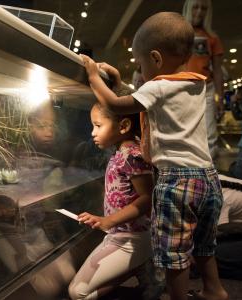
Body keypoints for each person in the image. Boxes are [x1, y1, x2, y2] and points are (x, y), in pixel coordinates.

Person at [80, 12, 228, 300]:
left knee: (173, 250)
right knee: (203, 243)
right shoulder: (196, 84)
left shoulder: (157, 86)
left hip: (178, 181)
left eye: (140, 62)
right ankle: (215, 290)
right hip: (208, 177)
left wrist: (93, 76)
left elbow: (117, 104)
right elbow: (143, 99)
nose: (140, 68)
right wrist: (121, 79)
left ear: (156, 59)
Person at [68, 103, 155, 299]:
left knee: (77, 293)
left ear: (123, 126)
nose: (92, 132)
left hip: (133, 237)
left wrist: (108, 221)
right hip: (119, 234)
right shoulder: (122, 151)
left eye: (98, 126)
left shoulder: (132, 155)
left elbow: (148, 198)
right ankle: (137, 267)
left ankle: (140, 264)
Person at [183, 0, 225, 159]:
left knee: (209, 135)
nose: (199, 12)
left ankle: (210, 175)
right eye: (196, 7)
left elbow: (218, 70)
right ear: (189, 8)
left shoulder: (212, 38)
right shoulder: (179, 34)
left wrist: (220, 98)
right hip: (182, 87)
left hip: (206, 88)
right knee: (184, 131)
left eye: (204, 8)